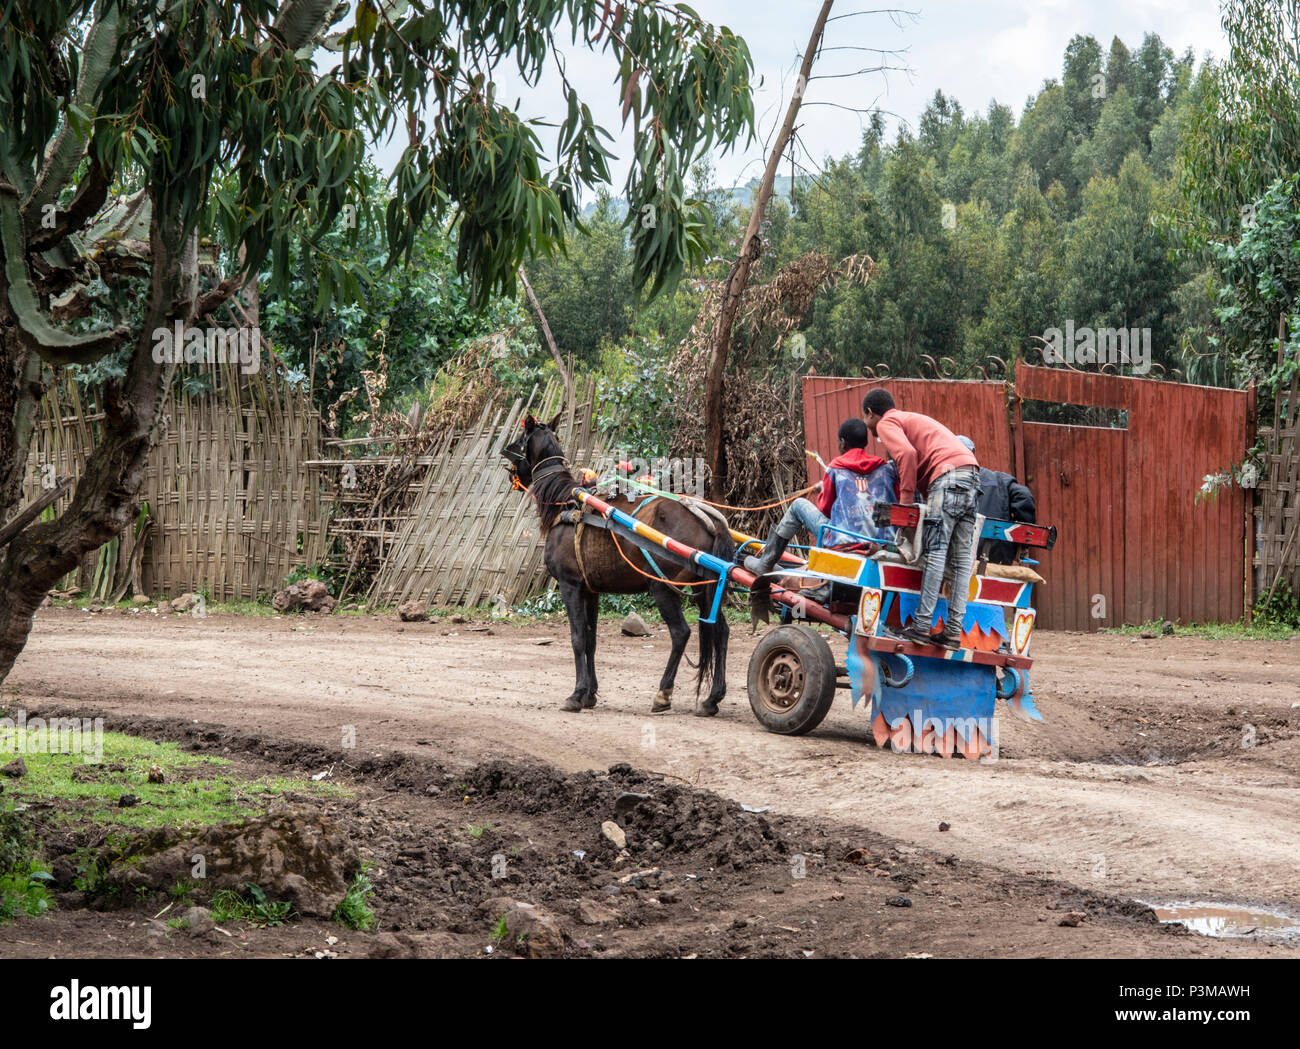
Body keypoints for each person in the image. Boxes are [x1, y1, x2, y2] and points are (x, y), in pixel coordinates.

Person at [862, 389, 980, 649]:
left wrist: (905, 506)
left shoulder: (886, 423)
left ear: (870, 413)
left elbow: (906, 454)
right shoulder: (912, 419)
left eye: (866, 418)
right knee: (961, 562)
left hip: (948, 479)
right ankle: (952, 633)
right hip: (970, 476)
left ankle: (922, 626)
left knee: (936, 554)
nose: (869, 426)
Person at [743, 418, 897, 575]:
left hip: (843, 542)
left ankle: (766, 563)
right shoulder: (884, 469)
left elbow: (825, 509)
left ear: (843, 443)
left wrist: (824, 490)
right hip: (877, 544)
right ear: (865, 442)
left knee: (798, 505)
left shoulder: (836, 468)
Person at [956, 436, 1037, 565]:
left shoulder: (942, 481)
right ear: (972, 454)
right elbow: (1024, 496)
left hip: (954, 560)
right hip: (996, 559)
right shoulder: (998, 479)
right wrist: (1020, 542)